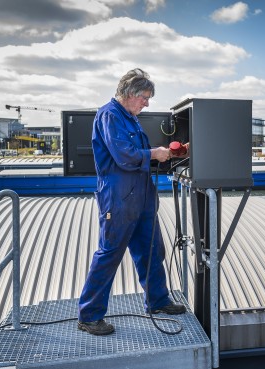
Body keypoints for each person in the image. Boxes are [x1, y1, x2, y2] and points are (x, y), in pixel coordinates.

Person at [78, 68, 186, 336]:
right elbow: (124, 155)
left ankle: (158, 301)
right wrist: (155, 153)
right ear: (129, 94)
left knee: (152, 249)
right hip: (119, 197)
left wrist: (163, 155)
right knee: (109, 254)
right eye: (145, 97)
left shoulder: (130, 117)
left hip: (142, 196)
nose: (147, 103)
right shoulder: (110, 115)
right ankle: (89, 315)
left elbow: (136, 155)